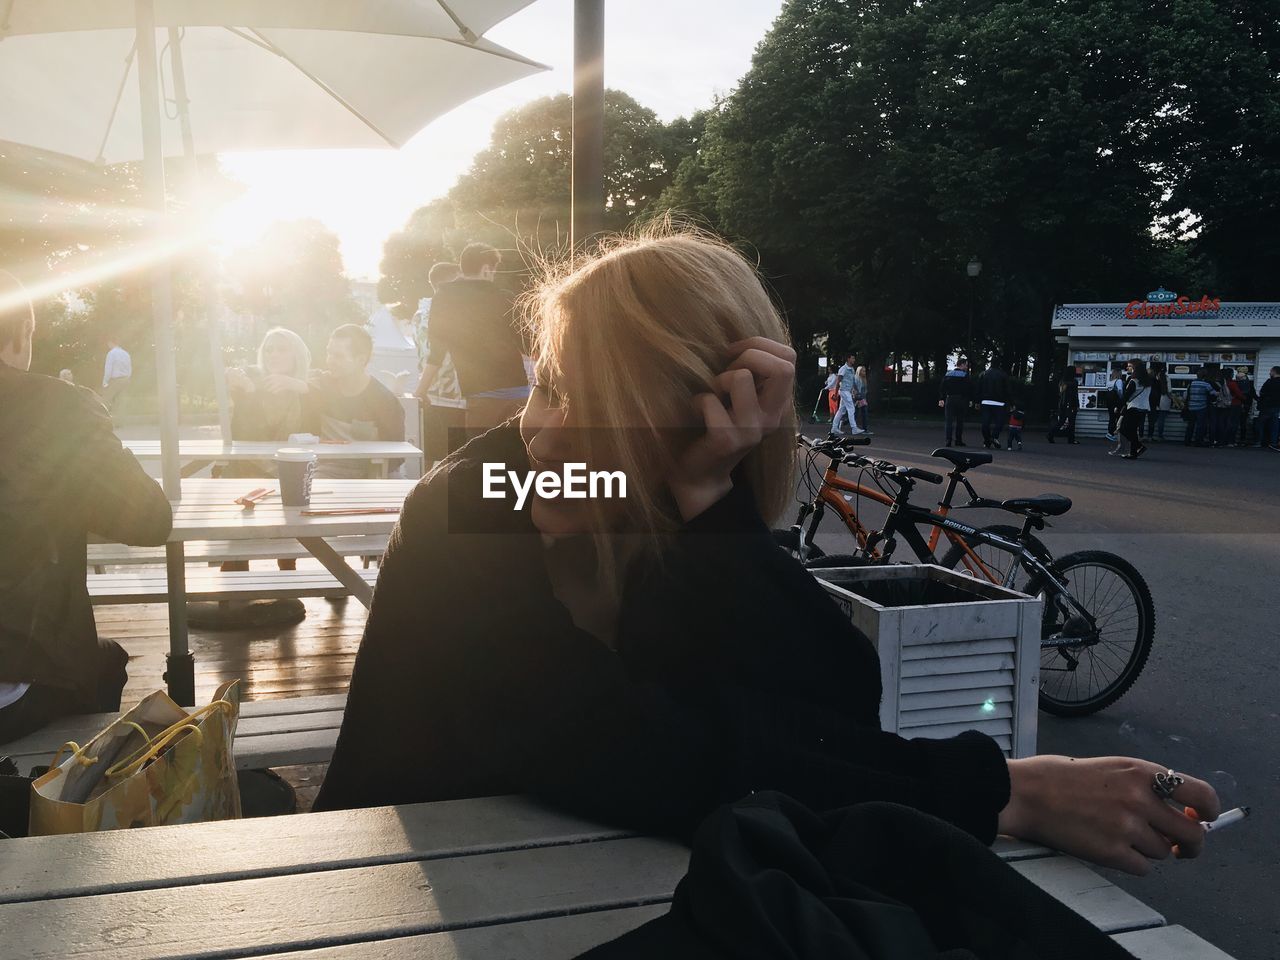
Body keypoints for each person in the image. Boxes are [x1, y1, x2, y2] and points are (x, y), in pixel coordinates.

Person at [313, 229, 1222, 876]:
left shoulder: (655, 508)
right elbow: (629, 749)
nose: (544, 427)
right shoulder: (478, 499)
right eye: (551, 382)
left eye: (600, 405)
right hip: (385, 899)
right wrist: (1001, 793)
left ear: (705, 428)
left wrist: (710, 505)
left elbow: (826, 704)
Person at [0, 270, 172, 743]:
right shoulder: (59, 407)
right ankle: (55, 798)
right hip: (18, 679)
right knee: (105, 659)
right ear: (22, 334)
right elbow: (151, 520)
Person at [263, 324, 406, 478]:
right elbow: (305, 385)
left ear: (360, 360)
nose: (330, 361)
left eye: (338, 356)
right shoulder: (321, 384)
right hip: (327, 469)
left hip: (373, 472)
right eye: (329, 353)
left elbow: (397, 455)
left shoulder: (384, 400)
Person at [416, 243, 530, 434]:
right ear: (486, 269)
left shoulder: (444, 296)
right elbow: (528, 345)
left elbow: (437, 350)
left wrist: (422, 389)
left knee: (480, 457)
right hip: (517, 392)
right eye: (493, 271)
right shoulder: (505, 297)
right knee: (517, 456)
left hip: (479, 393)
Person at [223, 326, 317, 476]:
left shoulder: (309, 388)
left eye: (282, 349)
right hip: (250, 472)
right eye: (268, 350)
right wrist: (249, 392)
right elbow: (242, 438)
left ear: (297, 355)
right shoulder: (249, 383)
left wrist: (296, 385)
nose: (273, 355)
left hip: (299, 470)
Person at [1116, 359, 1150, 460]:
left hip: (1133, 407)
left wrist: (1118, 407)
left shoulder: (1133, 381)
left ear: (1135, 368)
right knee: (1133, 430)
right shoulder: (1147, 381)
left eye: (1130, 366)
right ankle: (1133, 453)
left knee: (1123, 429)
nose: (1127, 368)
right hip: (1143, 408)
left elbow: (1126, 396)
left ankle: (1139, 446)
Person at [976, 361, 1011, 450]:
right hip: (999, 402)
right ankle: (994, 437)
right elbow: (1007, 390)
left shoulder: (983, 374)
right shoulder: (1003, 375)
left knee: (985, 423)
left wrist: (977, 401)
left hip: (985, 401)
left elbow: (978, 389)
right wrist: (1010, 402)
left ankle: (987, 440)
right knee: (999, 422)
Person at [938, 357, 971, 446]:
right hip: (961, 399)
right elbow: (968, 389)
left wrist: (941, 398)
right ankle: (958, 440)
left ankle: (948, 440)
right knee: (960, 421)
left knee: (949, 421)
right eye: (966, 365)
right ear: (962, 365)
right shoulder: (965, 375)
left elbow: (942, 387)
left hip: (950, 399)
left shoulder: (948, 374)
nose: (967, 367)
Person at [830, 353, 864, 437]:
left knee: (841, 410)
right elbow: (838, 381)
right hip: (844, 391)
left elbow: (852, 381)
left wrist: (855, 390)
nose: (854, 360)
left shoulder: (851, 369)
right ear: (848, 359)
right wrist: (835, 393)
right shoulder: (843, 369)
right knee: (851, 408)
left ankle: (834, 428)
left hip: (847, 391)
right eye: (852, 358)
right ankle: (854, 428)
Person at [1182, 366, 1218, 446]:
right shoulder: (1206, 384)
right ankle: (1198, 441)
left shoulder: (1191, 383)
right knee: (1200, 425)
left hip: (1191, 407)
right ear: (1205, 376)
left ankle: (1187, 441)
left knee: (1190, 425)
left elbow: (1186, 395)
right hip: (1201, 407)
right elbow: (1214, 393)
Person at [1046, 368, 1079, 444]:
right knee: (1071, 423)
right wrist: (1077, 404)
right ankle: (1071, 439)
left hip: (1062, 404)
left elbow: (1061, 393)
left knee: (1061, 421)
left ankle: (1050, 434)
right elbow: (1075, 395)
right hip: (1071, 404)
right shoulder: (1074, 382)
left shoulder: (1062, 382)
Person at [101, 337, 132, 412]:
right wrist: (128, 377)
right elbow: (129, 368)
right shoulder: (126, 353)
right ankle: (121, 419)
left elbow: (108, 368)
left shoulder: (111, 353)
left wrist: (105, 381)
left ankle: (109, 419)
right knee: (122, 401)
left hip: (116, 380)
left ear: (110, 343)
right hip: (126, 379)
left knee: (108, 399)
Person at [1256, 366, 1280, 451]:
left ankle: (1259, 441)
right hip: (1277, 406)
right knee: (1275, 425)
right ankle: (1273, 443)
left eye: (1271, 371)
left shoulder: (1269, 382)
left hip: (1266, 406)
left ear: (1274, 372)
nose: (1270, 373)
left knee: (1260, 424)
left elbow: (1262, 392)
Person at [1145, 361, 1169, 442]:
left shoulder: (1144, 382)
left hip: (1144, 402)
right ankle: (1150, 436)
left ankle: (1140, 435)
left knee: (1141, 420)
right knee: (1151, 421)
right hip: (1153, 403)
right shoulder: (1156, 382)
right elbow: (1159, 393)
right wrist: (1158, 404)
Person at [1104, 366, 1127, 441]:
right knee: (1118, 418)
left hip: (1109, 402)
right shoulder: (1119, 381)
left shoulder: (1109, 382)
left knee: (1111, 417)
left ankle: (1110, 433)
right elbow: (1120, 391)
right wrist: (1122, 398)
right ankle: (1114, 434)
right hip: (1117, 403)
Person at [853, 364, 870, 432]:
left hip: (862, 398)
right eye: (863, 371)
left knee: (862, 413)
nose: (864, 372)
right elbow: (854, 388)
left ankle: (864, 429)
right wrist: (857, 396)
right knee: (858, 413)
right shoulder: (857, 378)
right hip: (858, 398)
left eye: (865, 371)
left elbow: (864, 389)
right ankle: (863, 429)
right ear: (859, 371)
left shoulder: (864, 379)